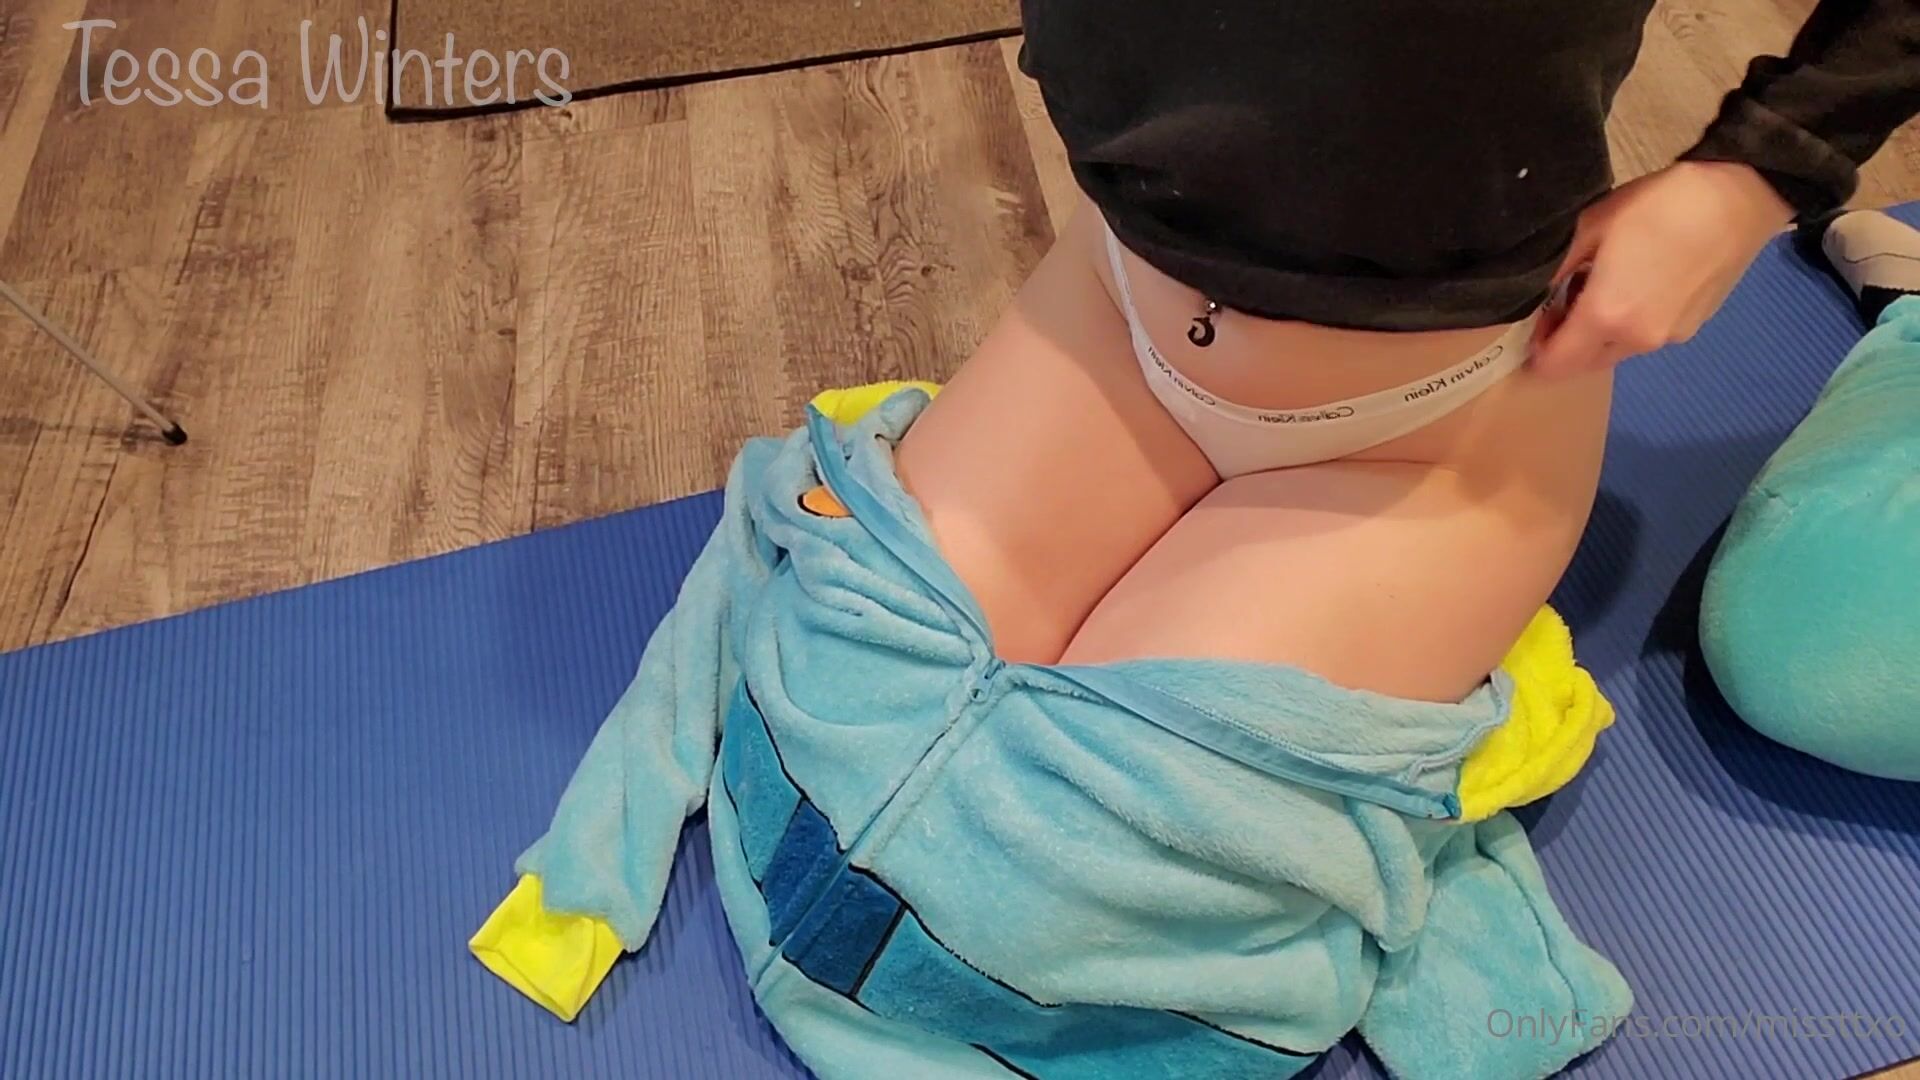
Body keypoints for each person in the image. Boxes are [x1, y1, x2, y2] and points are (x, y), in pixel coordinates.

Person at [894, 0, 1920, 700]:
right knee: (856, 714)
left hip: (1435, 421)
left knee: (1067, 884)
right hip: (1112, 298)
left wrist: (1765, 166)